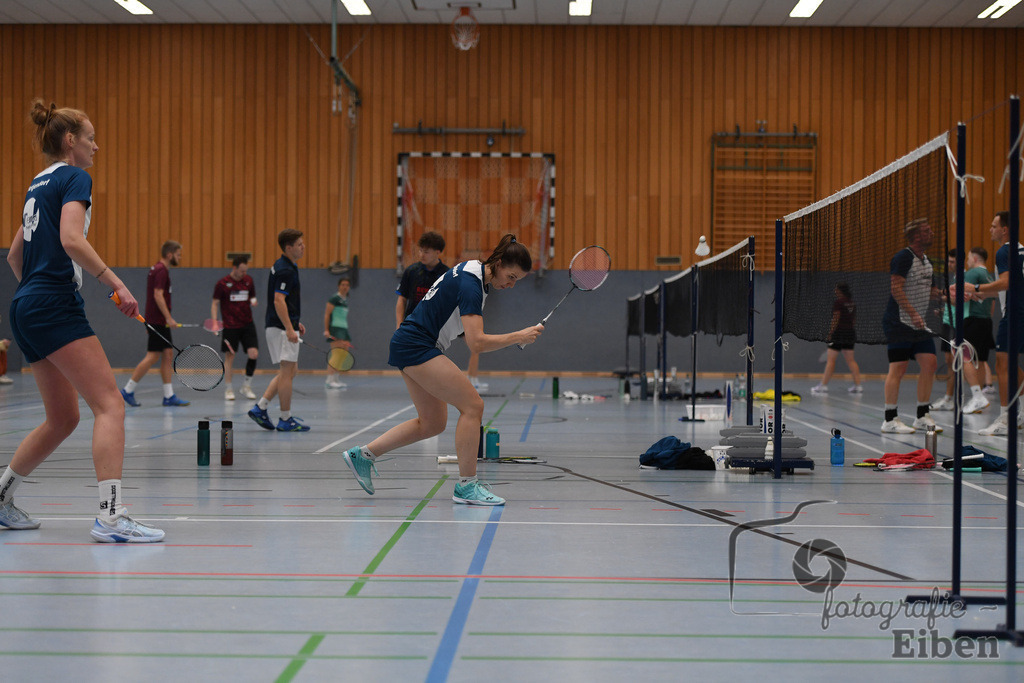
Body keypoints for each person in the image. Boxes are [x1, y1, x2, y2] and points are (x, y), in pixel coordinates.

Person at [0, 99, 163, 542]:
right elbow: (71, 238)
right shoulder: (75, 177)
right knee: (110, 404)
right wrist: (115, 284)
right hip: (52, 303)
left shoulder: (38, 184)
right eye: (90, 137)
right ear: (70, 141)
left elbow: (16, 255)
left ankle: (0, 498)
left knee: (62, 418)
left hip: (25, 304)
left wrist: (36, 288)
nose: (97, 145)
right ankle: (111, 517)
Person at [343, 234, 542, 505]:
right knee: (473, 406)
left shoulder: (470, 270)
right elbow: (476, 343)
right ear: (497, 262)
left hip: (410, 342)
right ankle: (467, 487)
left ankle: (363, 455)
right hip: (417, 344)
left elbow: (458, 326)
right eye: (511, 276)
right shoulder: (472, 285)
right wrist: (517, 336)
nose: (510, 284)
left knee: (433, 423)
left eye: (516, 280)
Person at [954, 212, 1024, 436]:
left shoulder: (1004, 250)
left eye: (994, 226)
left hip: (1015, 314)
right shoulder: (1020, 249)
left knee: (1002, 365)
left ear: (1005, 230)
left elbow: (1006, 282)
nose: (990, 230)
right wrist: (980, 295)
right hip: (1019, 311)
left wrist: (974, 288)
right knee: (1011, 365)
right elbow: (1007, 285)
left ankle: (1005, 418)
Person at [396, 231, 487, 391]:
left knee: (475, 341)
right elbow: (401, 300)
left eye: (426, 251)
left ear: (437, 252)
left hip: (443, 319)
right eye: (420, 250)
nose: (421, 254)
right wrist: (399, 324)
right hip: (416, 323)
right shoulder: (411, 272)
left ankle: (473, 377)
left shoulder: (448, 273)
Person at [880, 218, 941, 434]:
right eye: (927, 230)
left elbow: (931, 291)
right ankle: (889, 418)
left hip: (918, 324)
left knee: (930, 363)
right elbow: (896, 289)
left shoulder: (927, 262)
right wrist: (914, 313)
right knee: (898, 368)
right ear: (916, 236)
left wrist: (946, 295)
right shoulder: (903, 257)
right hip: (899, 322)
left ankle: (922, 415)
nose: (932, 233)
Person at [247, 229, 309, 432]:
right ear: (288, 248)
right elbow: (278, 300)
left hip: (282, 325)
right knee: (286, 372)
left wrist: (294, 321)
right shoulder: (285, 270)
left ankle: (261, 407)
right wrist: (289, 328)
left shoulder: (286, 265)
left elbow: (285, 301)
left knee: (290, 371)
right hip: (281, 329)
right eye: (299, 244)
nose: (303, 247)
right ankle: (285, 418)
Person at [120, 240, 189, 407]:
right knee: (153, 356)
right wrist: (168, 318)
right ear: (169, 254)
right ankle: (127, 390)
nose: (179, 258)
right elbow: (158, 295)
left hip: (157, 320)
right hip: (158, 321)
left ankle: (169, 395)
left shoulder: (159, 270)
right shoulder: (161, 271)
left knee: (167, 355)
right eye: (178, 255)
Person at [932, 246, 993, 415]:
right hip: (984, 320)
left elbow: (958, 297)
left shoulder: (972, 274)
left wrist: (940, 294)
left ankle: (976, 395)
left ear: (973, 259)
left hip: (969, 320)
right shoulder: (987, 275)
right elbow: (992, 297)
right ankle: (976, 398)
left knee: (963, 357)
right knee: (978, 360)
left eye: (967, 259)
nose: (966, 262)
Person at [212, 255, 259, 401]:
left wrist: (253, 301)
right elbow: (215, 303)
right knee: (230, 357)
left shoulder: (249, 281)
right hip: (230, 326)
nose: (244, 274)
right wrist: (214, 322)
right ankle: (228, 389)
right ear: (234, 268)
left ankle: (246, 386)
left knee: (253, 354)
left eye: (246, 271)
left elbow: (252, 297)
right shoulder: (222, 284)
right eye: (242, 271)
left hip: (247, 324)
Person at [811, 283, 862, 394]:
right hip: (850, 333)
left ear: (840, 290)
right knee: (851, 360)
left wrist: (830, 332)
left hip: (838, 333)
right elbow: (853, 320)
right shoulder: (852, 303)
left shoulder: (839, 302)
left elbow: (836, 317)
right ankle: (858, 386)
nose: (835, 290)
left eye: (836, 289)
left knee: (830, 360)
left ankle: (823, 386)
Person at [324, 276, 353, 389]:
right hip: (335, 328)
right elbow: (327, 314)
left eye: (347, 285)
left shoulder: (345, 300)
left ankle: (336, 379)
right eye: (343, 285)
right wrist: (327, 330)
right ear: (338, 286)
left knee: (343, 353)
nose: (345, 287)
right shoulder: (334, 298)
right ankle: (329, 380)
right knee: (336, 354)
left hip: (344, 329)